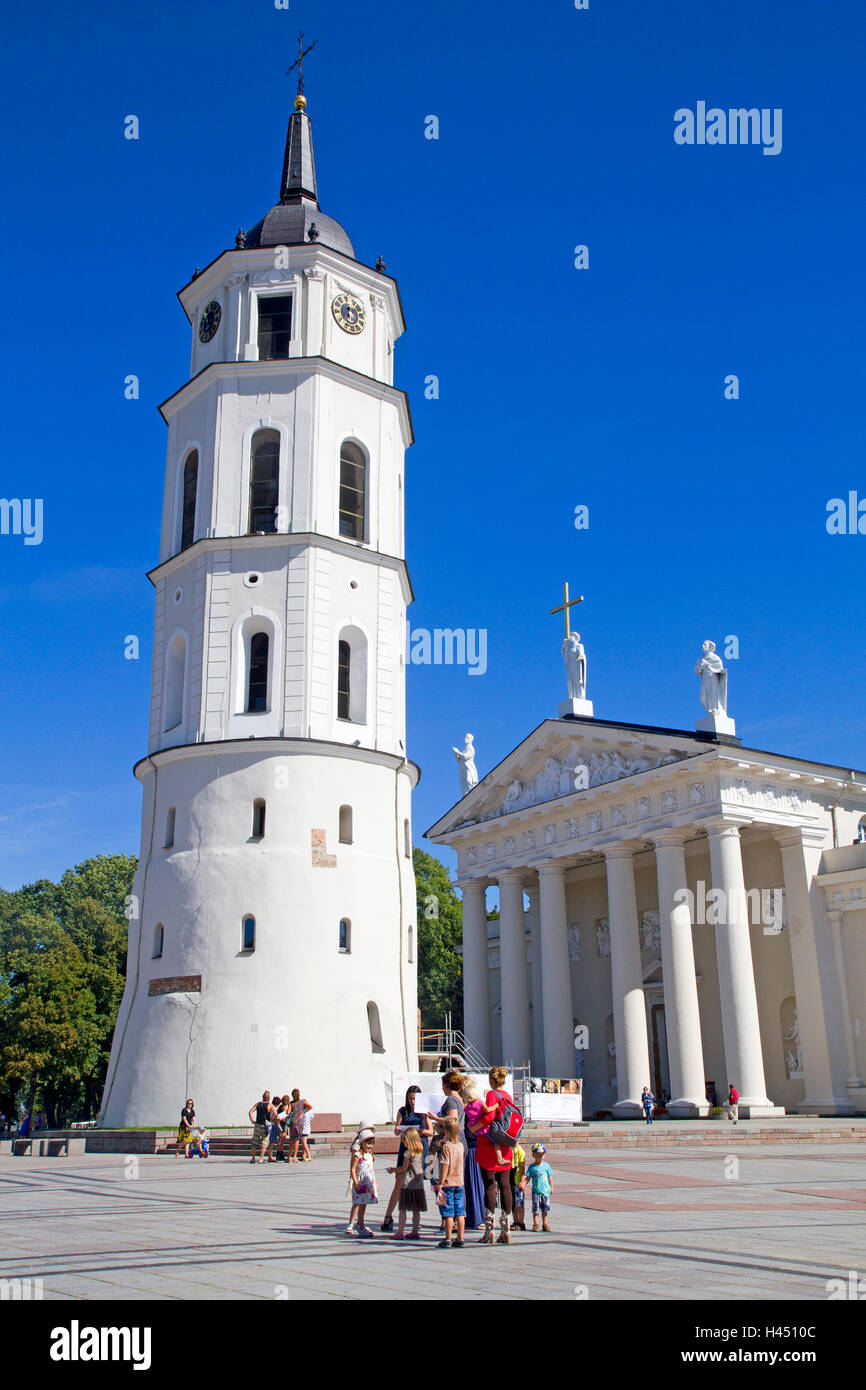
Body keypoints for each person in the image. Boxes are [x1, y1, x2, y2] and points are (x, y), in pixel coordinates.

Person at [472, 1065, 515, 1245]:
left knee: (489, 1185)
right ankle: (506, 1230)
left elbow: (489, 1118)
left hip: (488, 1146)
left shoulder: (491, 1094)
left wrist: (474, 1128)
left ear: (491, 1080)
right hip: (505, 1146)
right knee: (505, 1185)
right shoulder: (508, 1096)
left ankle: (489, 1230)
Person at [381, 1086, 433, 1231]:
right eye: (410, 1098)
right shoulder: (403, 1111)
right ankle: (388, 1216)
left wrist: (419, 1131)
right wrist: (398, 1129)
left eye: (415, 1099)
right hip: (405, 1147)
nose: (412, 1101)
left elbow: (431, 1131)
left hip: (419, 1148)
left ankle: (416, 1218)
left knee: (417, 1180)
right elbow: (396, 1130)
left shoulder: (424, 1112)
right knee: (399, 1180)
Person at [387, 1127, 427, 1240]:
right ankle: (415, 1231)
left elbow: (403, 1169)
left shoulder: (407, 1153)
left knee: (403, 1209)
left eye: (404, 1140)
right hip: (418, 1184)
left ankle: (400, 1232)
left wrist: (393, 1170)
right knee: (416, 1210)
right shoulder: (420, 1151)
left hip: (408, 1183)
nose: (403, 1142)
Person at [461, 1078, 488, 1232]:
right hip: (480, 1146)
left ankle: (476, 1218)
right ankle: (480, 1216)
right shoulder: (480, 1105)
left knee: (472, 1184)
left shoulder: (467, 1108)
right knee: (479, 1184)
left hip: (472, 1148)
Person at [436, 1116, 466, 1249]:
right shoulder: (460, 1145)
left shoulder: (446, 1147)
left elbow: (445, 1165)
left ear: (446, 1131)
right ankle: (460, 1237)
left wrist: (440, 1182)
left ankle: (448, 1238)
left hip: (448, 1183)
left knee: (448, 1212)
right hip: (460, 1182)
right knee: (460, 1211)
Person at [347, 1129, 378, 1237]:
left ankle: (361, 1224)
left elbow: (371, 1170)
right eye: (368, 1143)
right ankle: (358, 1225)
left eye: (371, 1144)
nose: (370, 1146)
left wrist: (376, 1183)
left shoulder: (370, 1155)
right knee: (358, 1202)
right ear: (361, 1142)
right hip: (360, 1182)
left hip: (368, 1183)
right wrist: (356, 1183)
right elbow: (353, 1169)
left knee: (364, 1203)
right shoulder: (358, 1155)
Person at [526, 1144, 554, 1233]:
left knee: (545, 1209)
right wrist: (523, 1184)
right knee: (536, 1209)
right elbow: (528, 1177)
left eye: (542, 1155)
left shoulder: (546, 1166)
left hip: (545, 1191)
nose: (540, 1157)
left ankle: (545, 1224)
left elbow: (550, 1177)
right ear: (533, 1155)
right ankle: (536, 1224)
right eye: (538, 1155)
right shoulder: (532, 1167)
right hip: (536, 1191)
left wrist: (552, 1187)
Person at [248, 1091, 275, 1165]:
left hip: (257, 1125)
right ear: (269, 1098)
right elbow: (275, 1114)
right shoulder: (270, 1105)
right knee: (264, 1142)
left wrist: (252, 1120)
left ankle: (253, 1158)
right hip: (265, 1126)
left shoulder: (258, 1104)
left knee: (254, 1142)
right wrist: (270, 1119)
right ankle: (261, 1159)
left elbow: (250, 1112)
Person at [287, 1090, 313, 1162]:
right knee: (297, 1140)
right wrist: (303, 1112)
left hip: (293, 1122)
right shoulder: (302, 1102)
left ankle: (289, 1157)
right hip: (300, 1122)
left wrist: (287, 1111)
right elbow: (310, 1106)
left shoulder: (291, 1103)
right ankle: (295, 1157)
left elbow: (288, 1112)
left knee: (292, 1140)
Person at [510, 1141, 527, 1230]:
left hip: (518, 1181)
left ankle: (521, 1222)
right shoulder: (510, 1148)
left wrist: (522, 1180)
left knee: (519, 1204)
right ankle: (515, 1221)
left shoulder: (520, 1150)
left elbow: (522, 1167)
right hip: (511, 1180)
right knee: (513, 1203)